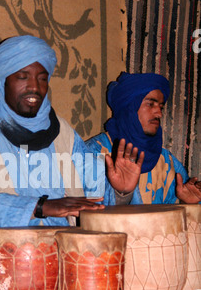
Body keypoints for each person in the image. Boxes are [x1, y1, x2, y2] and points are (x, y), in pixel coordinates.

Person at [0, 36, 144, 290]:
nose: (34, 87)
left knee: (121, 245)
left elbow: (97, 205)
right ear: (2, 82)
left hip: (61, 251)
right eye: (22, 76)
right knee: (0, 252)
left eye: (42, 78)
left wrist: (121, 192)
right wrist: (39, 207)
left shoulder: (65, 135)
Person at [86, 72, 201, 205]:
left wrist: (186, 203)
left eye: (161, 107)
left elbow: (177, 219)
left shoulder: (166, 161)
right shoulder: (91, 154)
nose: (159, 113)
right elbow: (81, 217)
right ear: (129, 107)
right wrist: (122, 195)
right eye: (151, 104)